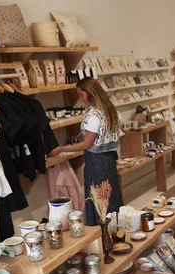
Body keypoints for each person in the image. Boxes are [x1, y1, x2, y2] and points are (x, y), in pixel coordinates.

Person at [49, 77, 124, 226]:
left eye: (81, 94)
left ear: (90, 93)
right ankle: (114, 229)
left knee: (98, 197)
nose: (80, 98)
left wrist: (62, 148)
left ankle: (100, 231)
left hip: (96, 162)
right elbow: (104, 134)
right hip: (108, 159)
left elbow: (86, 144)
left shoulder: (94, 115)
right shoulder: (108, 110)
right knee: (110, 195)